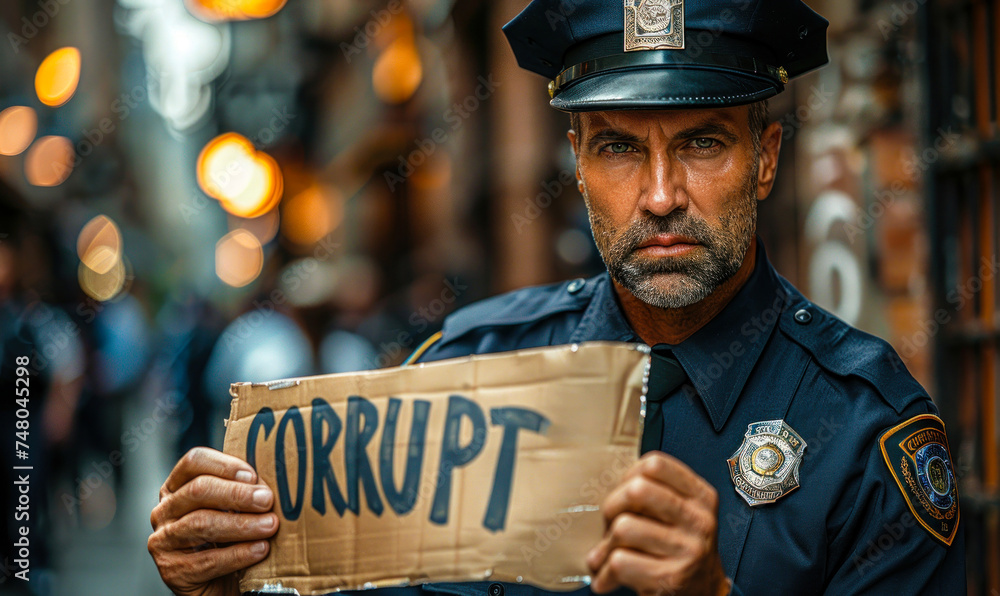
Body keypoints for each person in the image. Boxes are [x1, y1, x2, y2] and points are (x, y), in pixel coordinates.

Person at [148, 1, 966, 594]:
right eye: (617, 147)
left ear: (765, 157)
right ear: (576, 159)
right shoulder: (464, 369)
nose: (658, 196)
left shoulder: (866, 432)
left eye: (703, 142)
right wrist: (230, 579)